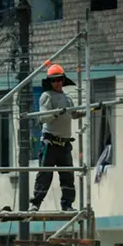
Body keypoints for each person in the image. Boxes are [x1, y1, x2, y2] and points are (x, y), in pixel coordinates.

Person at [29, 64, 85, 213]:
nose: (57, 83)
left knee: (67, 176)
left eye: (59, 79)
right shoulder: (46, 96)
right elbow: (43, 117)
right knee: (45, 174)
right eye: (54, 80)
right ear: (50, 82)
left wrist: (87, 111)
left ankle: (67, 204)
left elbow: (73, 114)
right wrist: (56, 112)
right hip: (50, 143)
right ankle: (35, 203)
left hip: (64, 144)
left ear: (63, 80)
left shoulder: (67, 98)